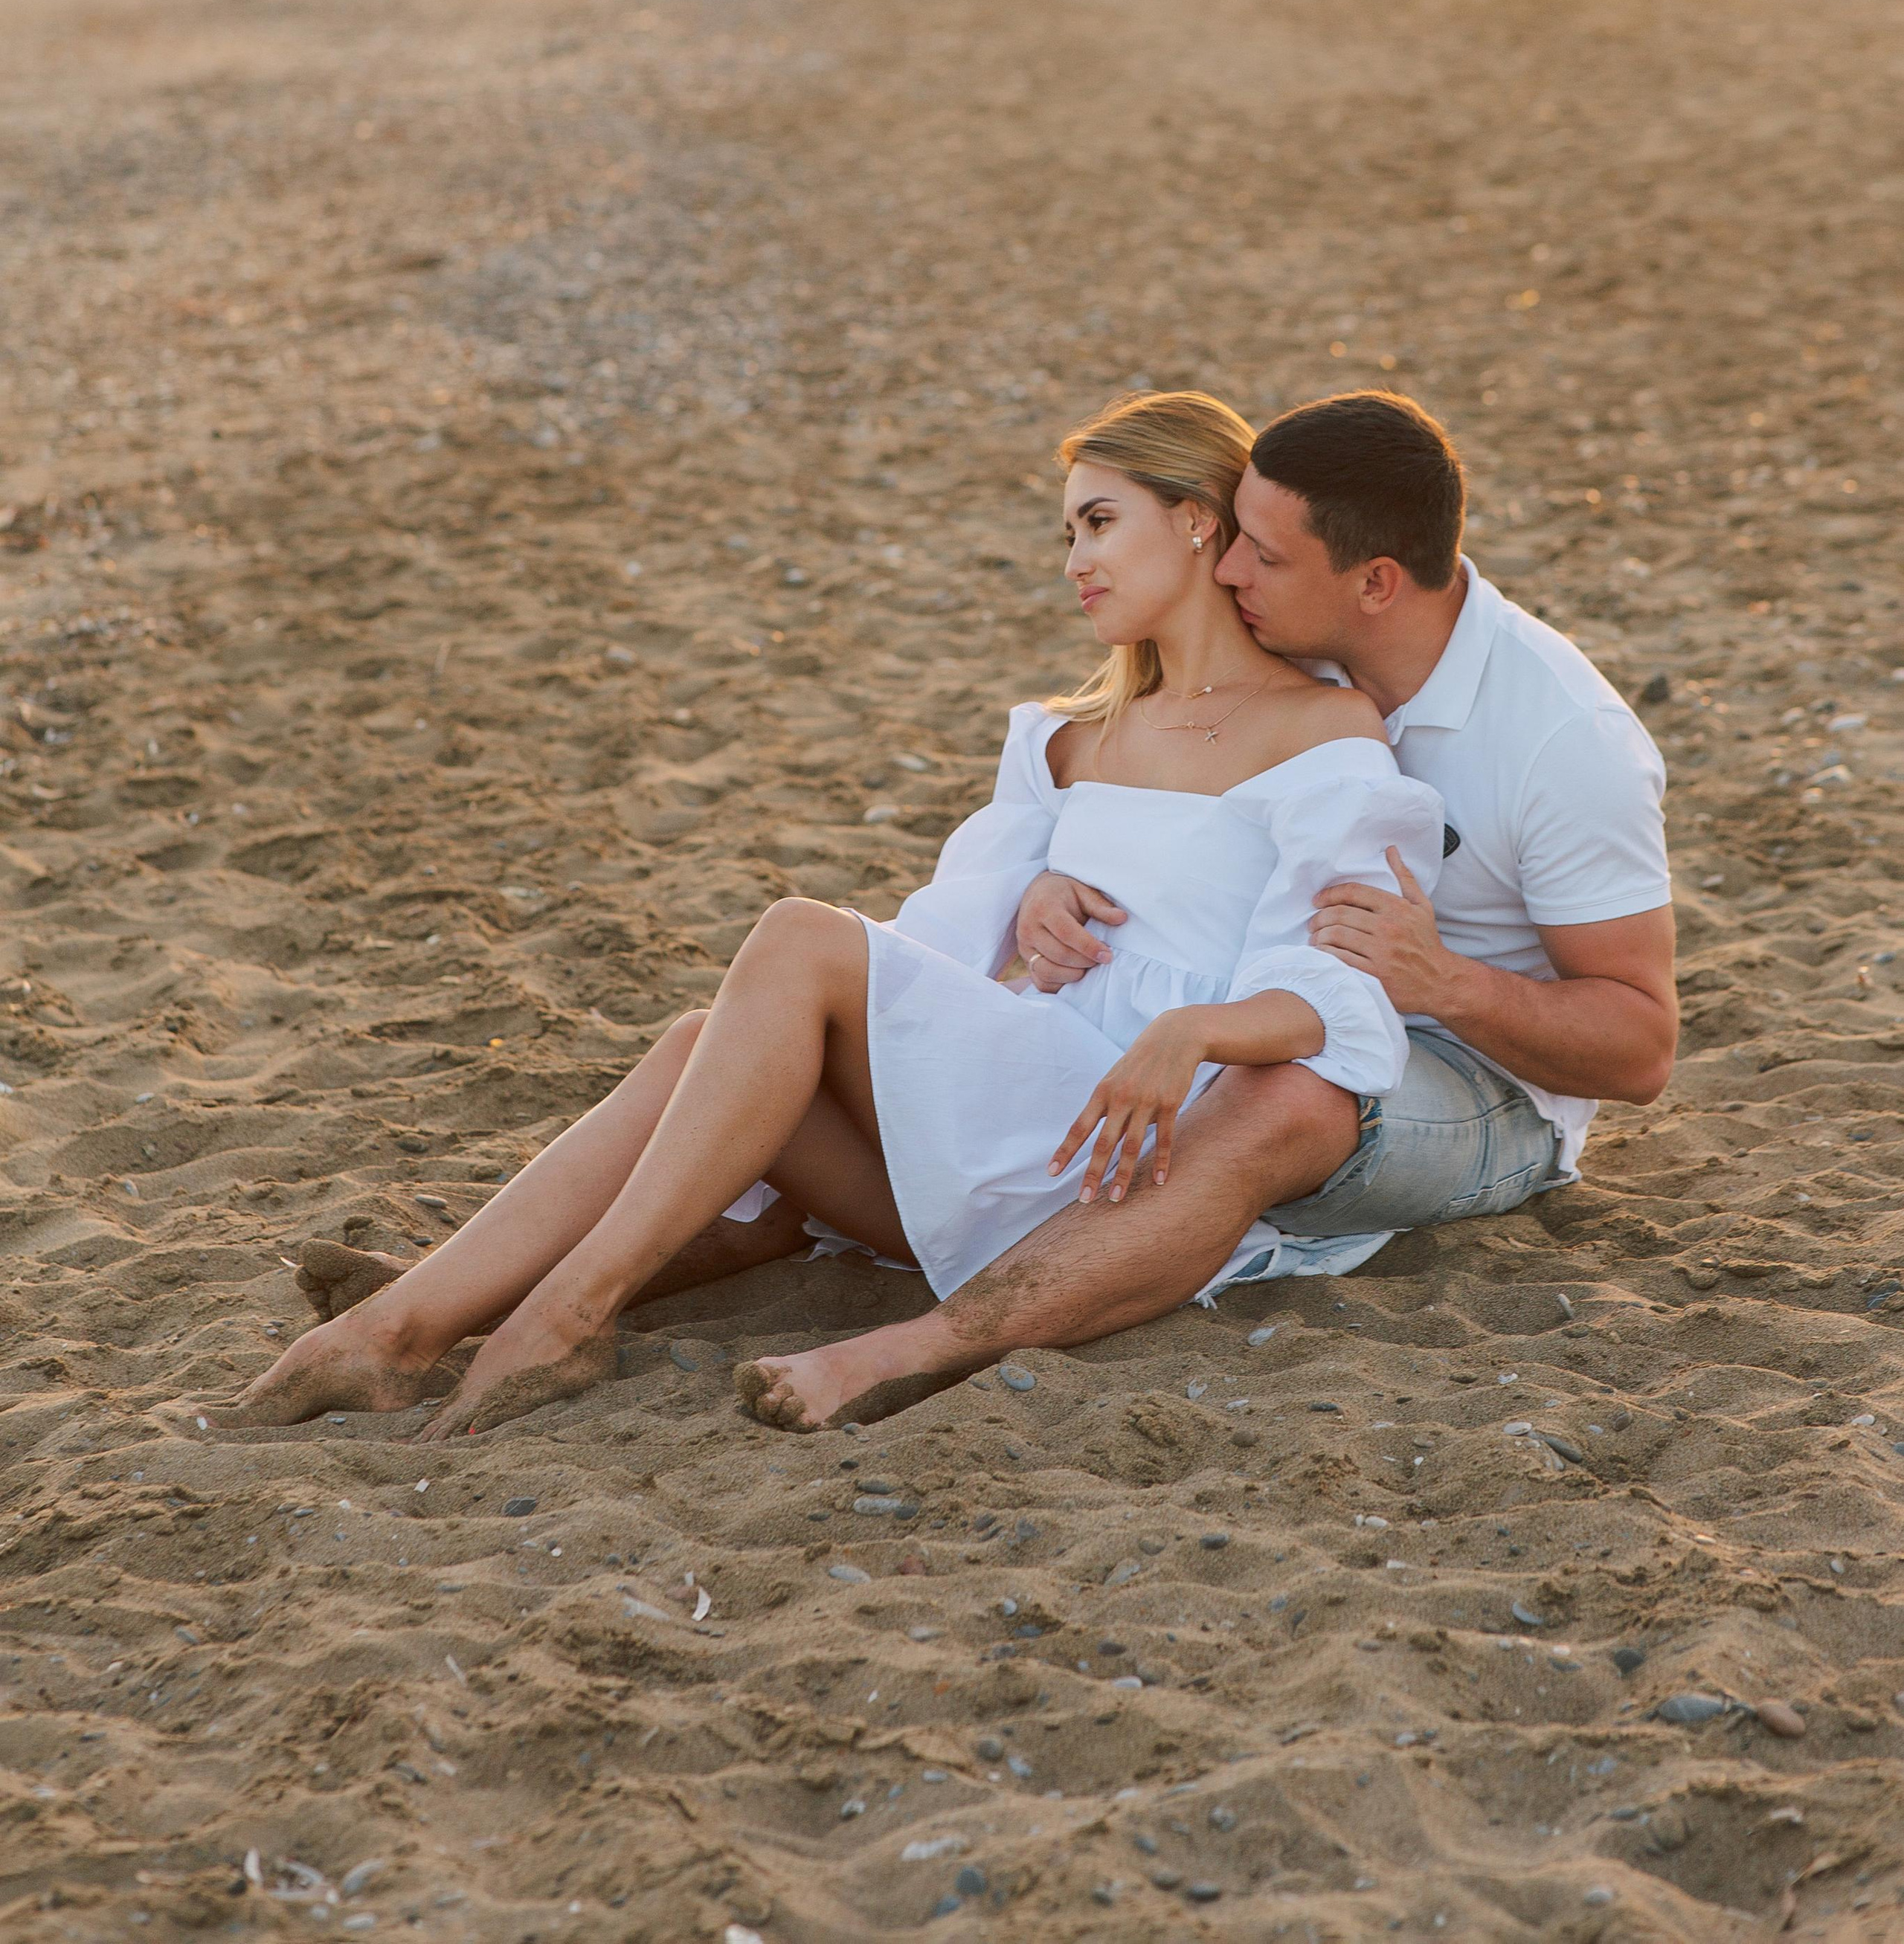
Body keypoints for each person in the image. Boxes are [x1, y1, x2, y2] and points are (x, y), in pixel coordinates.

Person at [237, 389, 1440, 1440]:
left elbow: (1344, 999)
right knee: (697, 1044)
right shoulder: (1067, 741)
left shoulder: (1321, 733)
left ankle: (563, 1310)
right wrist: (1024, 904)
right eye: (1064, 530)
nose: (1072, 557)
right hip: (995, 1129)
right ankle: (407, 1325)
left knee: (799, 937)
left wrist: (1194, 1034)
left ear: (1194, 517)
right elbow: (934, 945)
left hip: (1126, 1150)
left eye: (1097, 520)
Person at [745, 389, 1676, 1435]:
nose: (1230, 570)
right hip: (1304, 999)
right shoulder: (1301, 655)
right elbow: (1173, 816)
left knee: (1284, 1094)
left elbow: (1641, 1049)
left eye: (1263, 558)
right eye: (1235, 537)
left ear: (1374, 581)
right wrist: (1042, 878)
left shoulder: (1564, 740)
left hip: (1485, 1076)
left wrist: (1447, 983)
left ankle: (914, 1352)